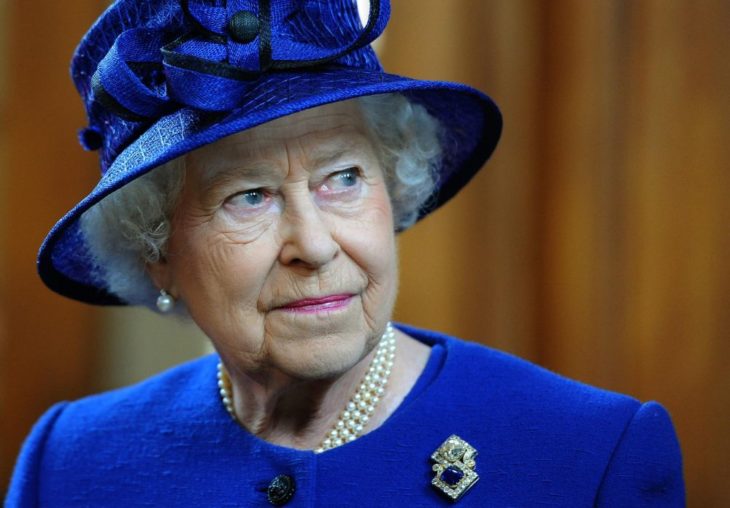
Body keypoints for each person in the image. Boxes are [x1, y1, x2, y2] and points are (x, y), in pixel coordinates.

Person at [6, 0, 684, 506]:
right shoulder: (70, 464)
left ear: (394, 189)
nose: (315, 243)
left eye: (344, 179)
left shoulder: (593, 456)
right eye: (249, 195)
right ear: (156, 251)